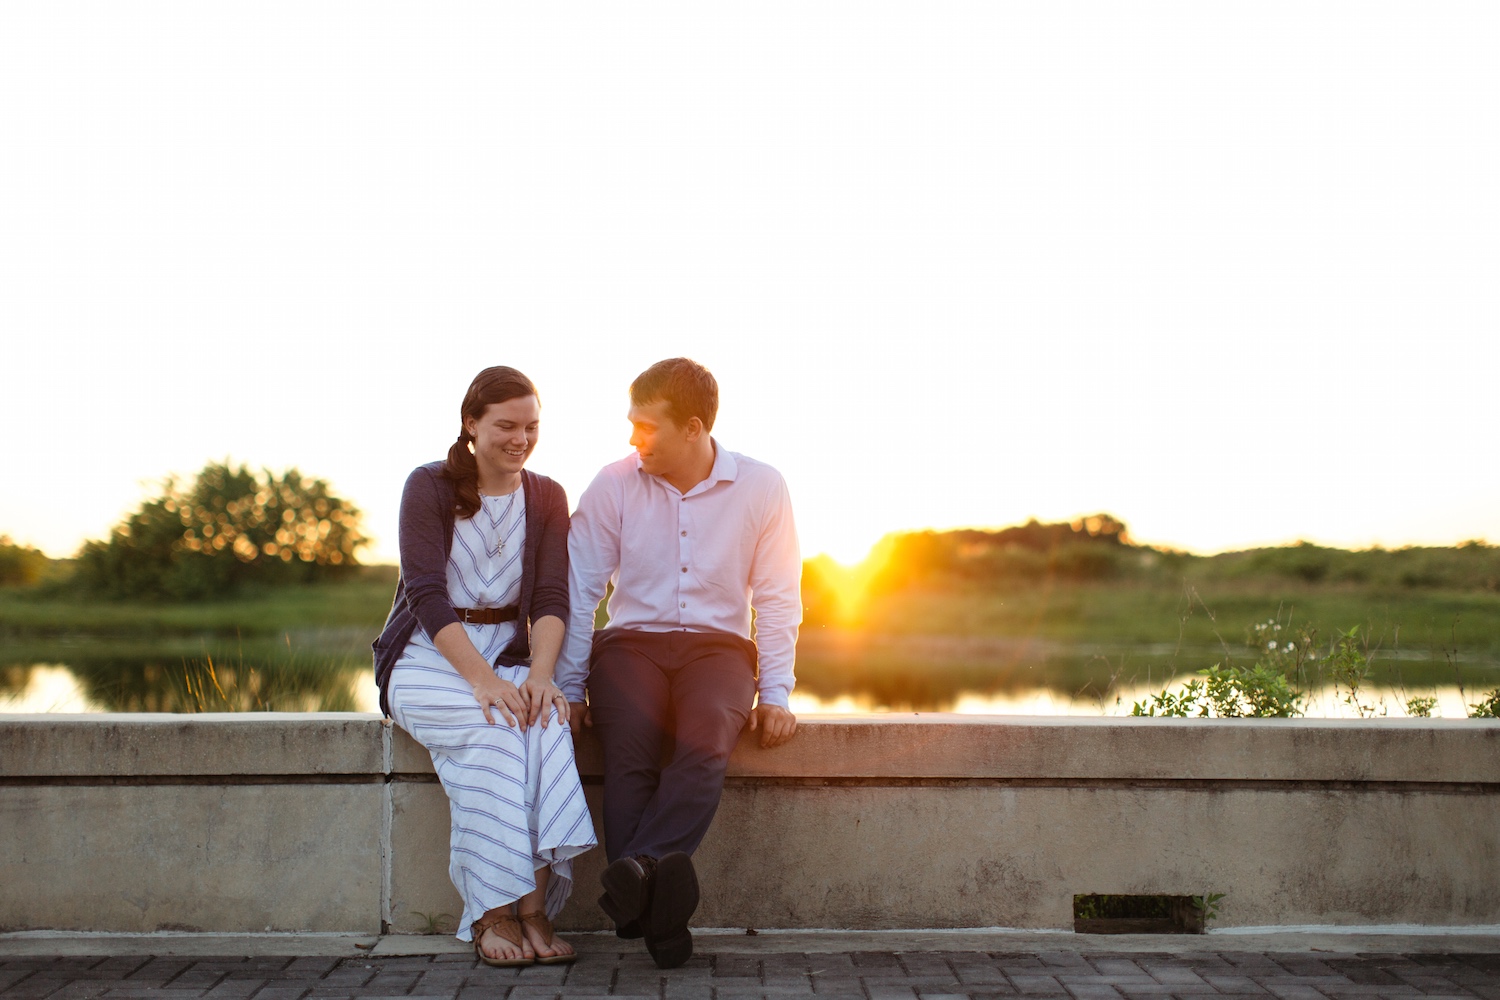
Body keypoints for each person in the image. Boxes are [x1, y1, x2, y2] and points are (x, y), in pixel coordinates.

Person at [556, 357, 802, 969]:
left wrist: (775, 693)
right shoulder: (612, 484)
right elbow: (580, 590)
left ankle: (634, 876)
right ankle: (654, 905)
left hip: (718, 650)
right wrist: (570, 689)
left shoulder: (763, 487)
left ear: (693, 428)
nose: (633, 439)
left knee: (707, 743)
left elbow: (776, 597)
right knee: (631, 749)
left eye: (647, 427)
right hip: (630, 644)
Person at [372, 366, 596, 968]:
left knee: (545, 723)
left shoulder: (547, 495)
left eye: (531, 426)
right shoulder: (429, 486)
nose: (520, 439)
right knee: (496, 731)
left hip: (513, 653)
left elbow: (551, 597)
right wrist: (484, 681)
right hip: (426, 656)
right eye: (506, 425)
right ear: (471, 424)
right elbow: (425, 593)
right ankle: (491, 913)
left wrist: (543, 678)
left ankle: (534, 910)